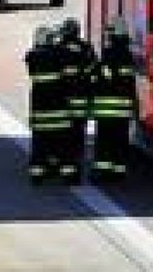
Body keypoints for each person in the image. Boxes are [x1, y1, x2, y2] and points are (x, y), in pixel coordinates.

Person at [89, 18, 136, 182]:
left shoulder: (108, 54)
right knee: (120, 140)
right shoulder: (129, 56)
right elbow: (128, 82)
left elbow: (101, 77)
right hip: (123, 108)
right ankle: (119, 171)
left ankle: (103, 172)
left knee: (104, 140)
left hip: (106, 107)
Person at [25, 24, 71, 184]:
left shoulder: (31, 56)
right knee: (62, 144)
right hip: (58, 110)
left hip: (40, 110)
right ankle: (66, 173)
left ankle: (37, 173)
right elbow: (65, 61)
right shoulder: (58, 54)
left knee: (39, 144)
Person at [57, 17, 96, 183]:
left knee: (64, 137)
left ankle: (66, 171)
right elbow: (94, 70)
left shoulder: (58, 48)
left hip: (62, 101)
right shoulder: (86, 48)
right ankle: (76, 171)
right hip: (81, 101)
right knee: (78, 137)